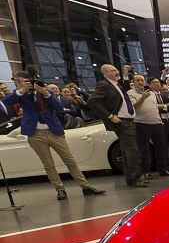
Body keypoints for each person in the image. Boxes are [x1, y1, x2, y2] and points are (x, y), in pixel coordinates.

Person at [3, 71, 105, 200]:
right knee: (48, 164)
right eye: (22, 81)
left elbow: (59, 108)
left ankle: (85, 186)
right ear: (18, 82)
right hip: (35, 133)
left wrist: (45, 93)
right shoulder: (20, 95)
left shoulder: (46, 93)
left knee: (70, 160)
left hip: (54, 131)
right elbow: (7, 100)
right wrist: (22, 90)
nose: (26, 83)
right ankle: (60, 189)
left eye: (27, 81)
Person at [87, 64, 147, 187]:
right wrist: (110, 116)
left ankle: (132, 178)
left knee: (127, 151)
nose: (116, 72)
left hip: (128, 121)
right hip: (122, 121)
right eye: (113, 70)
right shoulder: (104, 84)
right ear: (105, 74)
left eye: (116, 70)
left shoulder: (116, 84)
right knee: (132, 151)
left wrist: (125, 73)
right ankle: (136, 178)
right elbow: (92, 102)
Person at [128, 74, 169, 178]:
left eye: (142, 80)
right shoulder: (130, 93)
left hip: (156, 123)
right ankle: (146, 171)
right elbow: (133, 107)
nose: (140, 82)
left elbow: (155, 108)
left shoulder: (151, 93)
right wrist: (142, 98)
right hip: (141, 124)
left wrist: (159, 120)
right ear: (133, 82)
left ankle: (163, 169)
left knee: (161, 148)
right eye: (138, 80)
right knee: (144, 149)